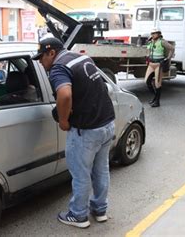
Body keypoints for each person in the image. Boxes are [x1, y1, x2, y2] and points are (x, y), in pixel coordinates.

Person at [33, 37, 115, 228]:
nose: (40, 62)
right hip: (106, 123)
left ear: (51, 53)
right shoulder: (82, 58)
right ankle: (100, 210)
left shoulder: (59, 68)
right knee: (101, 170)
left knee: (81, 174)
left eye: (41, 57)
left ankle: (78, 215)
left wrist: (62, 120)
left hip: (86, 130)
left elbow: (65, 94)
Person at [145, 28, 174, 107]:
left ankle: (157, 101)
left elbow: (172, 48)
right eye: (152, 33)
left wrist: (167, 58)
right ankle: (155, 97)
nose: (153, 35)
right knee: (147, 82)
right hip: (151, 64)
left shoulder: (162, 41)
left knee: (157, 84)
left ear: (158, 34)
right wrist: (147, 57)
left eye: (154, 33)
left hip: (159, 64)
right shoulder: (150, 41)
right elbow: (148, 50)